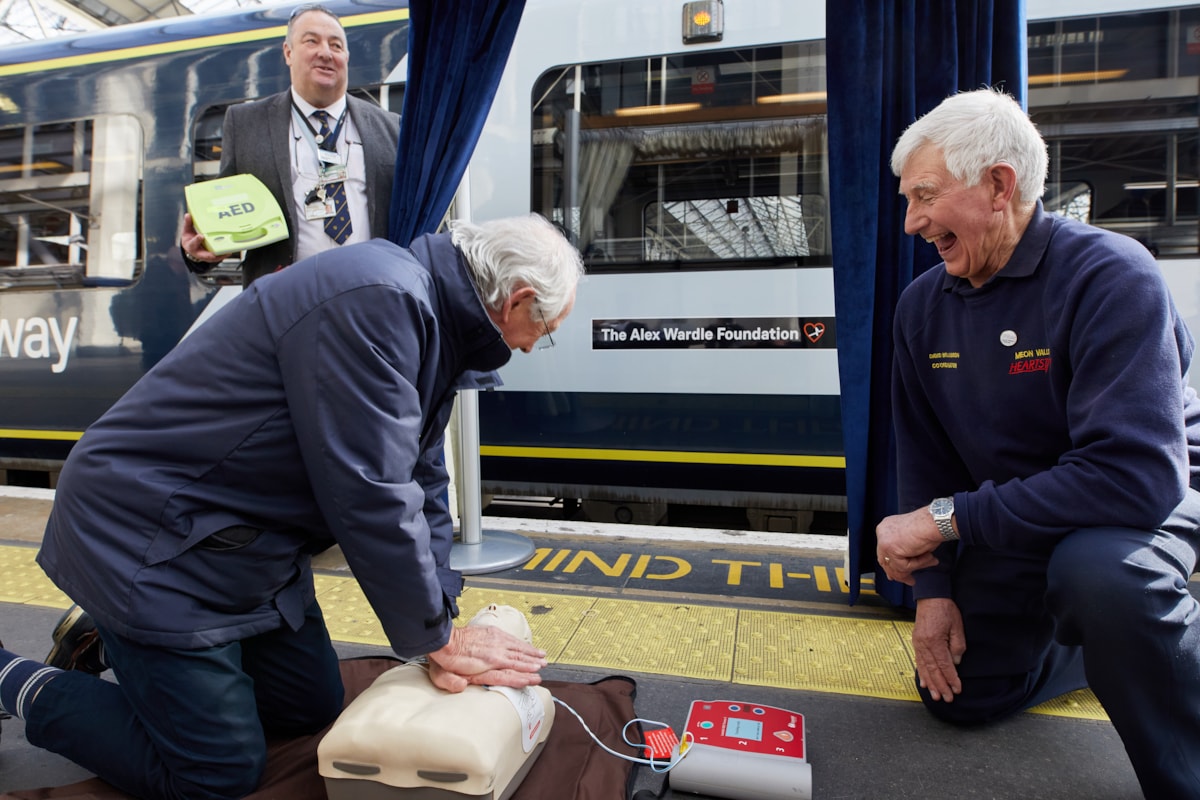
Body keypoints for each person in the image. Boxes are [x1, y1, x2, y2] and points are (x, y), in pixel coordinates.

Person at [0, 213, 584, 800]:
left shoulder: (427, 317)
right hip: (153, 536)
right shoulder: (380, 302)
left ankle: (115, 641)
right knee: (216, 776)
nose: (533, 346)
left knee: (310, 709)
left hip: (243, 539)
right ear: (518, 298)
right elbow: (372, 493)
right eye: (546, 329)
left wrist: (441, 610)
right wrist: (437, 642)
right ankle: (14, 675)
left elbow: (422, 476)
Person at [875, 87, 1200, 797]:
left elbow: (1135, 477)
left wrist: (942, 522)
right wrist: (932, 591)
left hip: (1139, 500)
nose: (912, 222)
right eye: (908, 200)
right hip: (1024, 510)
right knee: (961, 697)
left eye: (925, 195)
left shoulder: (1112, 274)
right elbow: (927, 457)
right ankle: (1106, 648)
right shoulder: (922, 308)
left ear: (999, 185)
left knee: (1102, 576)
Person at [181, 3, 399, 287]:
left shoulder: (390, 127)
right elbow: (224, 216)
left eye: (336, 45)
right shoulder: (246, 123)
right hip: (285, 306)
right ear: (288, 52)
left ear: (346, 56)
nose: (325, 52)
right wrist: (200, 250)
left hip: (371, 299)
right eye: (311, 41)